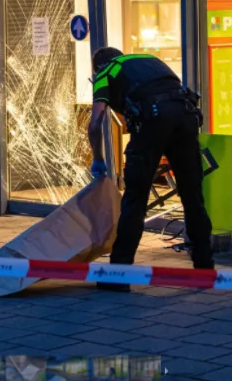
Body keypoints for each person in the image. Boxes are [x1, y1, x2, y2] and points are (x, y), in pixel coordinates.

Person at [88, 47, 214, 292]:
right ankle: (205, 269)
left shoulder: (105, 73)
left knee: (135, 199)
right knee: (193, 196)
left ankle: (118, 276)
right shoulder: (147, 60)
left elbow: (96, 121)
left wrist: (98, 158)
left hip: (153, 121)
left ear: (97, 68)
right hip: (186, 116)